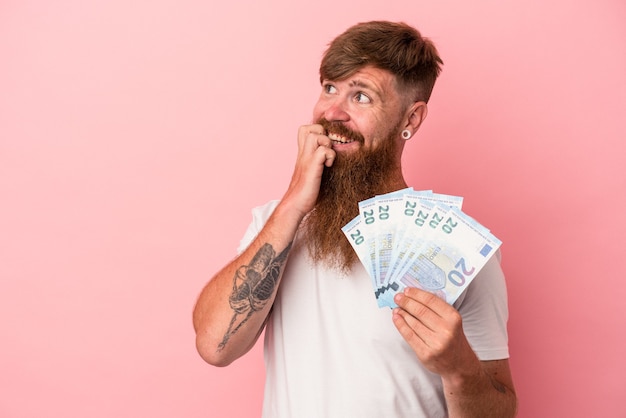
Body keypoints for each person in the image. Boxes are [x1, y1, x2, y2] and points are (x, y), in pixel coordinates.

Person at [193, 20, 517, 417]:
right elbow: (214, 346)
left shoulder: (458, 249)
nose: (332, 111)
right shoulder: (275, 224)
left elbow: (500, 410)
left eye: (361, 97)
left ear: (410, 120)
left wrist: (459, 369)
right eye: (329, 87)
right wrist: (294, 203)